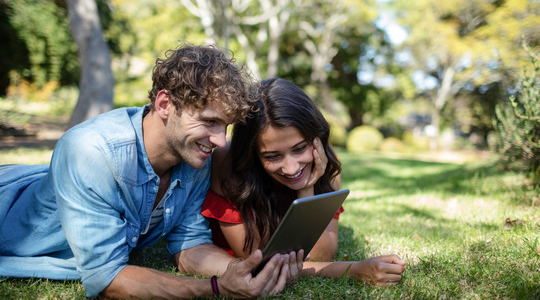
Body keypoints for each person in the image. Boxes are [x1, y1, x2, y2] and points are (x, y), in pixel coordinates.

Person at [0, 45, 303, 299]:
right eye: (209, 121)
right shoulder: (91, 151)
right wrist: (216, 288)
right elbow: (105, 278)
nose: (219, 140)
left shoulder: (195, 156)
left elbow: (190, 244)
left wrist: (242, 271)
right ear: (164, 104)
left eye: (225, 127)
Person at [202, 78, 406, 286]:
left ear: (316, 138)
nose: (291, 168)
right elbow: (259, 262)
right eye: (272, 156)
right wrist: (352, 270)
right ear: (253, 154)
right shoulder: (229, 167)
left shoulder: (326, 167)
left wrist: (306, 188)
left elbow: (322, 254)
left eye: (299, 148)